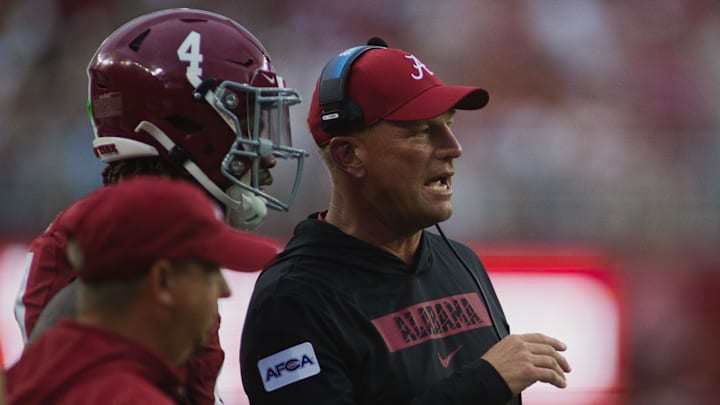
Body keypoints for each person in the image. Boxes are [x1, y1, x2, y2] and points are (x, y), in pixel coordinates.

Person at [240, 39, 571, 404]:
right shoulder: (292, 300)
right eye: (420, 131)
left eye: (448, 124)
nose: (453, 146)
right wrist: (483, 383)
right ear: (349, 155)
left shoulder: (460, 261)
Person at [13, 8, 306, 405]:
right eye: (249, 124)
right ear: (191, 123)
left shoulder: (151, 233)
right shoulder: (121, 247)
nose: (268, 156)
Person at [6, 177, 281, 404]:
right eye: (210, 271)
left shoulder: (26, 379)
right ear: (162, 282)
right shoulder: (131, 397)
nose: (224, 290)